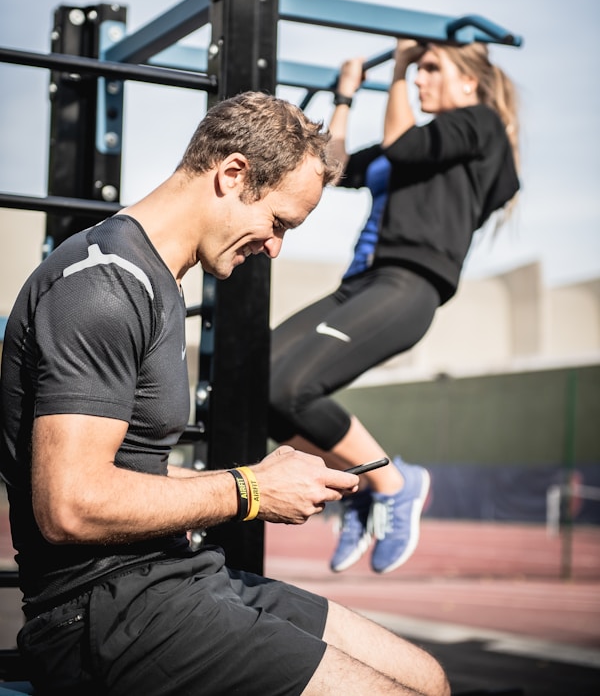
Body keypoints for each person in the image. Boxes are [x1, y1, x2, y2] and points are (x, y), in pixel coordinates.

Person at [0, 91, 450, 696]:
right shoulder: (104, 286)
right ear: (233, 173)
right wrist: (251, 491)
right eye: (279, 223)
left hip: (173, 579)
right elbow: (71, 505)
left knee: (428, 678)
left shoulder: (156, 279)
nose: (275, 247)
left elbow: (130, 476)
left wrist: (264, 477)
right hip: (105, 617)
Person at [269, 39, 520, 575]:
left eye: (433, 69)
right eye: (419, 68)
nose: (422, 78)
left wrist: (401, 68)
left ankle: (394, 483)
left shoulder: (480, 126)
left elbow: (404, 146)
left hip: (409, 285)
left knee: (292, 387)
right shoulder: (409, 140)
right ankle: (365, 487)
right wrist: (345, 96)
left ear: (469, 82)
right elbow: (329, 170)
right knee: (253, 388)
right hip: (359, 285)